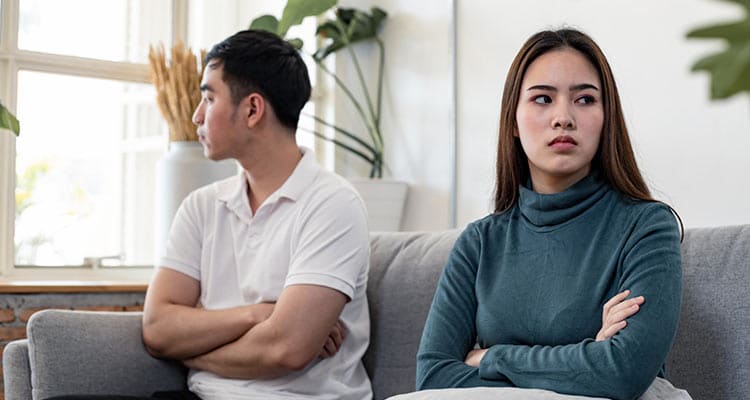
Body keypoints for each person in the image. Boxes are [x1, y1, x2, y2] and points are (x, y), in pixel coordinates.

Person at [44, 30, 372, 400]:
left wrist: (191, 352)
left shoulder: (332, 204)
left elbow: (286, 349)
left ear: (252, 109)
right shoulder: (201, 206)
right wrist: (258, 314)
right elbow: (157, 328)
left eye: (209, 97)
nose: (196, 115)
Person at [416, 29, 686, 400]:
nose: (563, 117)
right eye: (543, 98)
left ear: (607, 119)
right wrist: (587, 354)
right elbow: (433, 376)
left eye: (585, 99)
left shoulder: (646, 227)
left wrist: (492, 356)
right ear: (512, 121)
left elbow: (624, 371)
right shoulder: (479, 242)